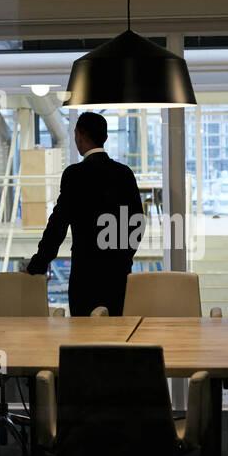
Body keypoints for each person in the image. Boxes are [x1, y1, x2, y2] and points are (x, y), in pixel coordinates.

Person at [25, 112, 143, 316]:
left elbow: (58, 225)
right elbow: (137, 223)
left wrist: (37, 264)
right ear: (105, 138)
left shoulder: (74, 175)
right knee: (118, 338)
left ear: (78, 135)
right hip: (119, 276)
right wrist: (123, 258)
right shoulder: (124, 174)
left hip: (85, 276)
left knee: (83, 339)